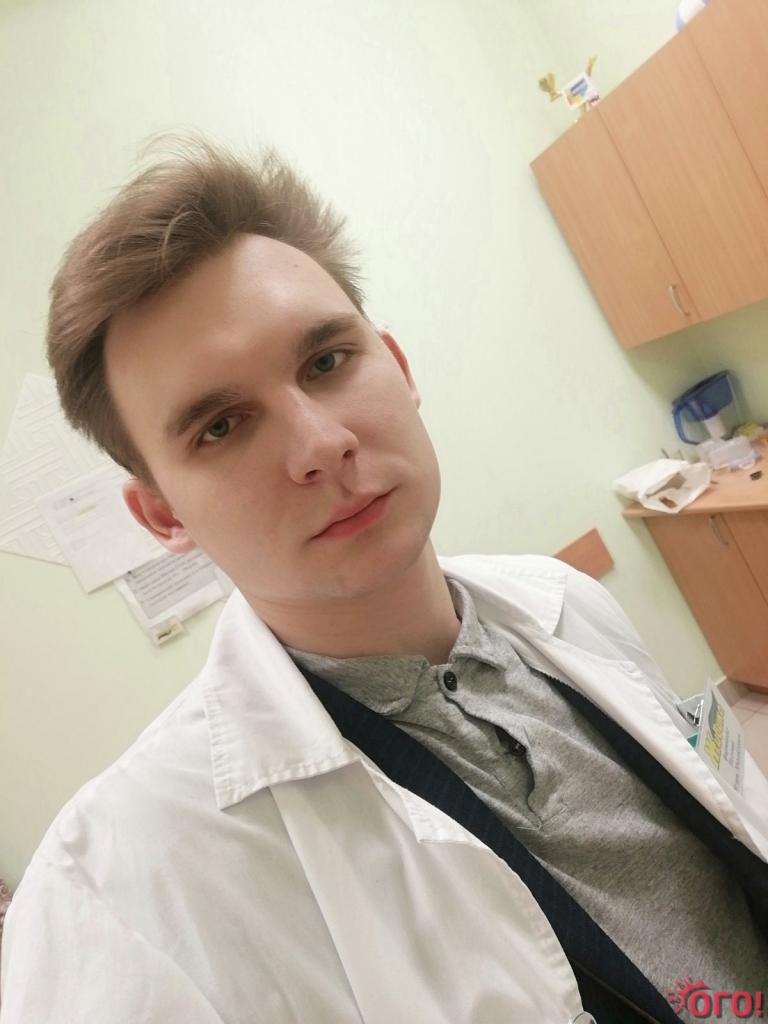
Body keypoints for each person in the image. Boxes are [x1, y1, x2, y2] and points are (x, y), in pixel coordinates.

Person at [1, 135, 766, 1024]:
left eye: (326, 362)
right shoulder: (114, 891)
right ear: (163, 514)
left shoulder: (567, 603)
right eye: (221, 426)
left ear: (398, 367)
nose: (322, 444)